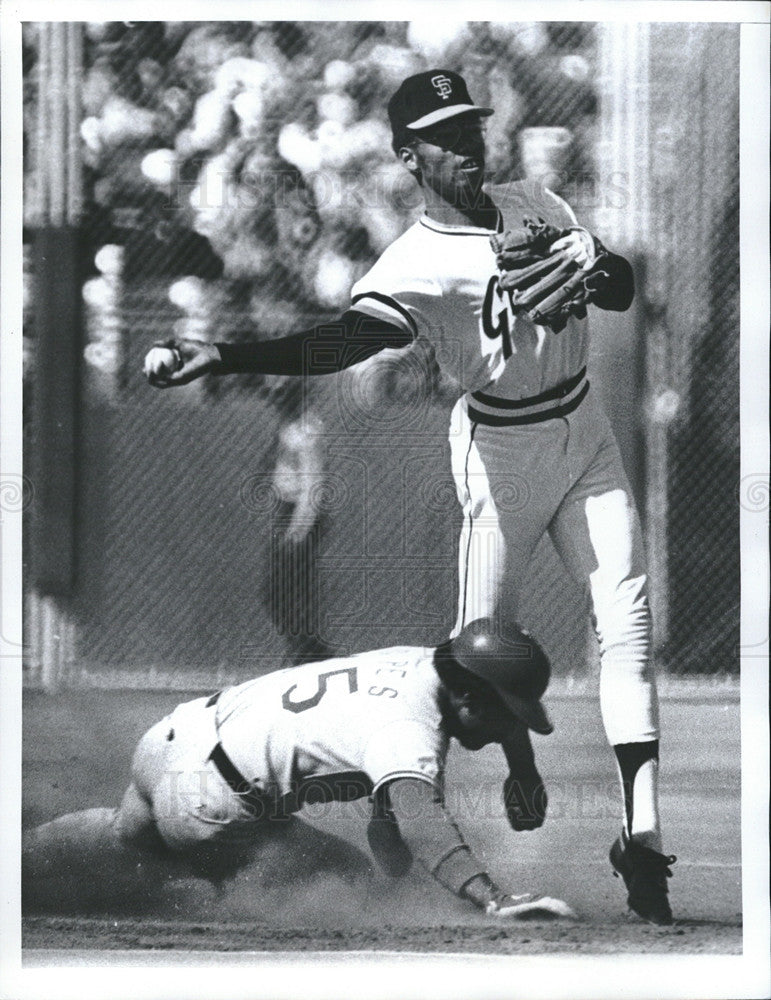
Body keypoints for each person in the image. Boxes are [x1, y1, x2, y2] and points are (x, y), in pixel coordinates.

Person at [144, 69, 676, 924]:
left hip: (588, 429)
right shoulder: (415, 260)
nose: (467, 142)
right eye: (445, 134)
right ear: (407, 156)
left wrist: (596, 259)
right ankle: (395, 803)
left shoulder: (537, 200)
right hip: (500, 443)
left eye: (471, 126)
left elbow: (617, 291)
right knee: (471, 658)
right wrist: (229, 356)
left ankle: (641, 836)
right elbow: (342, 344)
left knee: (627, 623)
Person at [23, 619, 575, 920]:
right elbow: (417, 822)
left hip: (171, 736)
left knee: (121, 838)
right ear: (470, 701)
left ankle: (19, 855)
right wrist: (491, 896)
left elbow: (396, 816)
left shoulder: (423, 664)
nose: (509, 729)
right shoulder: (407, 729)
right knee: (350, 884)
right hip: (212, 804)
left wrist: (521, 767)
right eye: (510, 718)